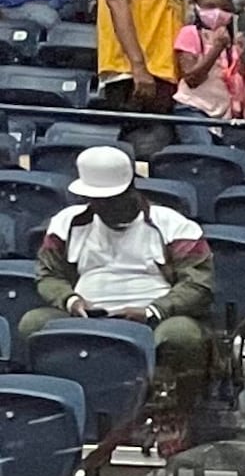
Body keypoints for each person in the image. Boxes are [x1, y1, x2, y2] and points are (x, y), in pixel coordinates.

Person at [30, 145, 216, 428]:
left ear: (131, 189)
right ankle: (56, 414)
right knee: (34, 323)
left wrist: (152, 311)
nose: (104, 206)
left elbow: (199, 284)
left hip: (152, 318)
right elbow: (48, 275)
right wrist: (71, 301)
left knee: (181, 335)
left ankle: (173, 417)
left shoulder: (173, 225)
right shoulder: (66, 223)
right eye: (96, 200)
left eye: (111, 199)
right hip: (85, 317)